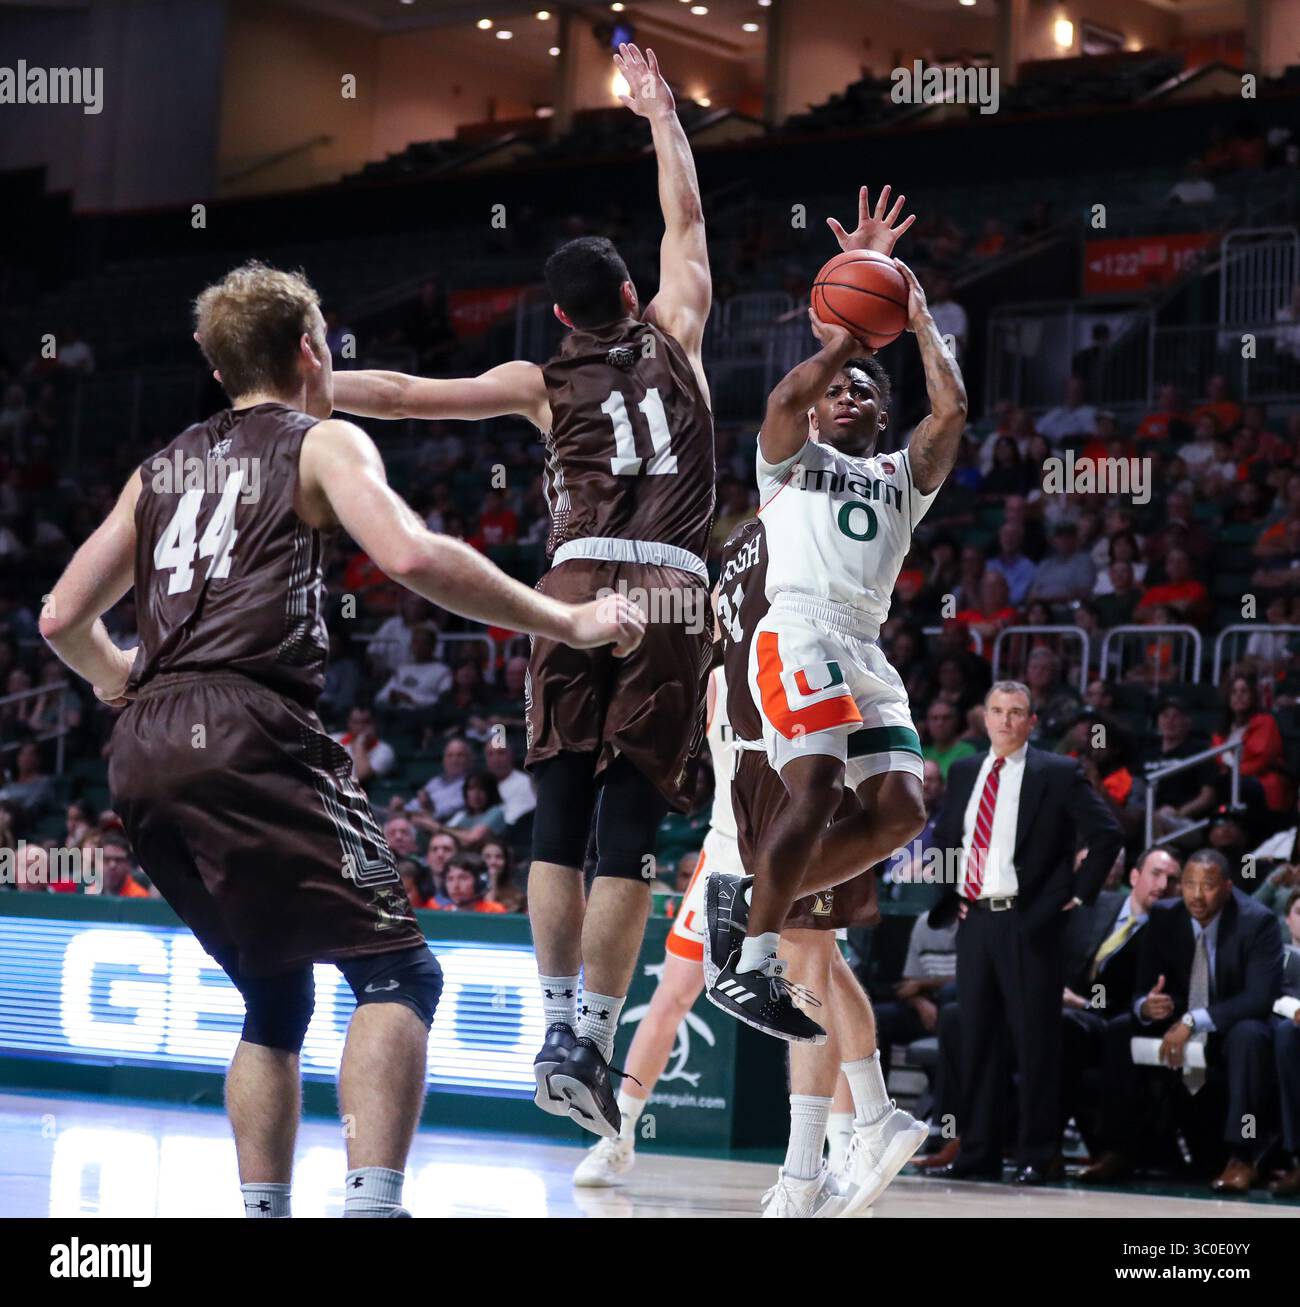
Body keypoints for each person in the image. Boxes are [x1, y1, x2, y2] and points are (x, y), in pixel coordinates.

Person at [38, 260, 643, 1220]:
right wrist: (563, 623)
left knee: (276, 1001)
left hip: (142, 748)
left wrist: (120, 681)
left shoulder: (158, 467)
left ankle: (265, 1210)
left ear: (212, 358)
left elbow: (62, 614)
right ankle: (372, 1205)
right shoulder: (321, 442)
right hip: (249, 721)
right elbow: (409, 554)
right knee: (400, 971)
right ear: (313, 349)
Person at [329, 44, 715, 1139]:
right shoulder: (680, 327)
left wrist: (303, 385)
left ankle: (552, 1024)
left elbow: (403, 396)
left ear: (560, 320)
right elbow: (684, 217)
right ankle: (591, 1037)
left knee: (558, 814)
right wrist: (658, 117)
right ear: (634, 294)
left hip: (572, 584)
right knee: (631, 824)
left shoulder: (535, 383)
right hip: (673, 595)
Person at [703, 194, 967, 1044]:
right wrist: (848, 324)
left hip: (866, 642)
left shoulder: (901, 475)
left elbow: (953, 412)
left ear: (882, 414)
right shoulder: (785, 459)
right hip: (798, 628)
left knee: (900, 812)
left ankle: (748, 901)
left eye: (864, 390)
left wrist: (913, 312)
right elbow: (787, 392)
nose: (848, 395)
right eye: (839, 389)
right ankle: (751, 959)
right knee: (813, 782)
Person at [927, 681, 1123, 1184]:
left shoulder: (1057, 773)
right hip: (976, 923)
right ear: (985, 717)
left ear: (1032, 722)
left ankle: (1041, 1153)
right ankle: (978, 1154)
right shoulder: (966, 768)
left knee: (1036, 1045)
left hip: (1030, 922)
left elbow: (1107, 834)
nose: (1006, 721)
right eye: (996, 711)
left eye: (1016, 713)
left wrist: (1077, 895)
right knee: (978, 1042)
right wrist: (952, 894)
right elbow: (950, 834)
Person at [1080, 849, 1283, 1192]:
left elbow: (1259, 998)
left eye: (1208, 885)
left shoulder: (1257, 921)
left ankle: (1242, 1157)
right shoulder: (1164, 916)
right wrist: (1148, 1006)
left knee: (1250, 1036)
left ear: (1228, 887)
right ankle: (1116, 1148)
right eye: (1189, 884)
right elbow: (1142, 989)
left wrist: (1194, 1020)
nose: (1197, 895)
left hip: (1228, 1022)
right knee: (1120, 1029)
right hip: (1179, 1017)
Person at [1060, 847, 1180, 1154]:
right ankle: (966, 1133)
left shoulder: (1171, 932)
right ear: (1134, 876)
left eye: (1172, 879)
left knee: (1065, 1028)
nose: (1163, 885)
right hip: (1058, 1000)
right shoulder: (1096, 905)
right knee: (960, 1008)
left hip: (1106, 1017)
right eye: (1156, 874)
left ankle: (1044, 1143)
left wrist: (1083, 1004)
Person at [1270, 890, 1300, 1195]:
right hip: (1287, 1024)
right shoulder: (1276, 955)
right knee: (1286, 1035)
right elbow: (1264, 994)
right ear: (1288, 918)